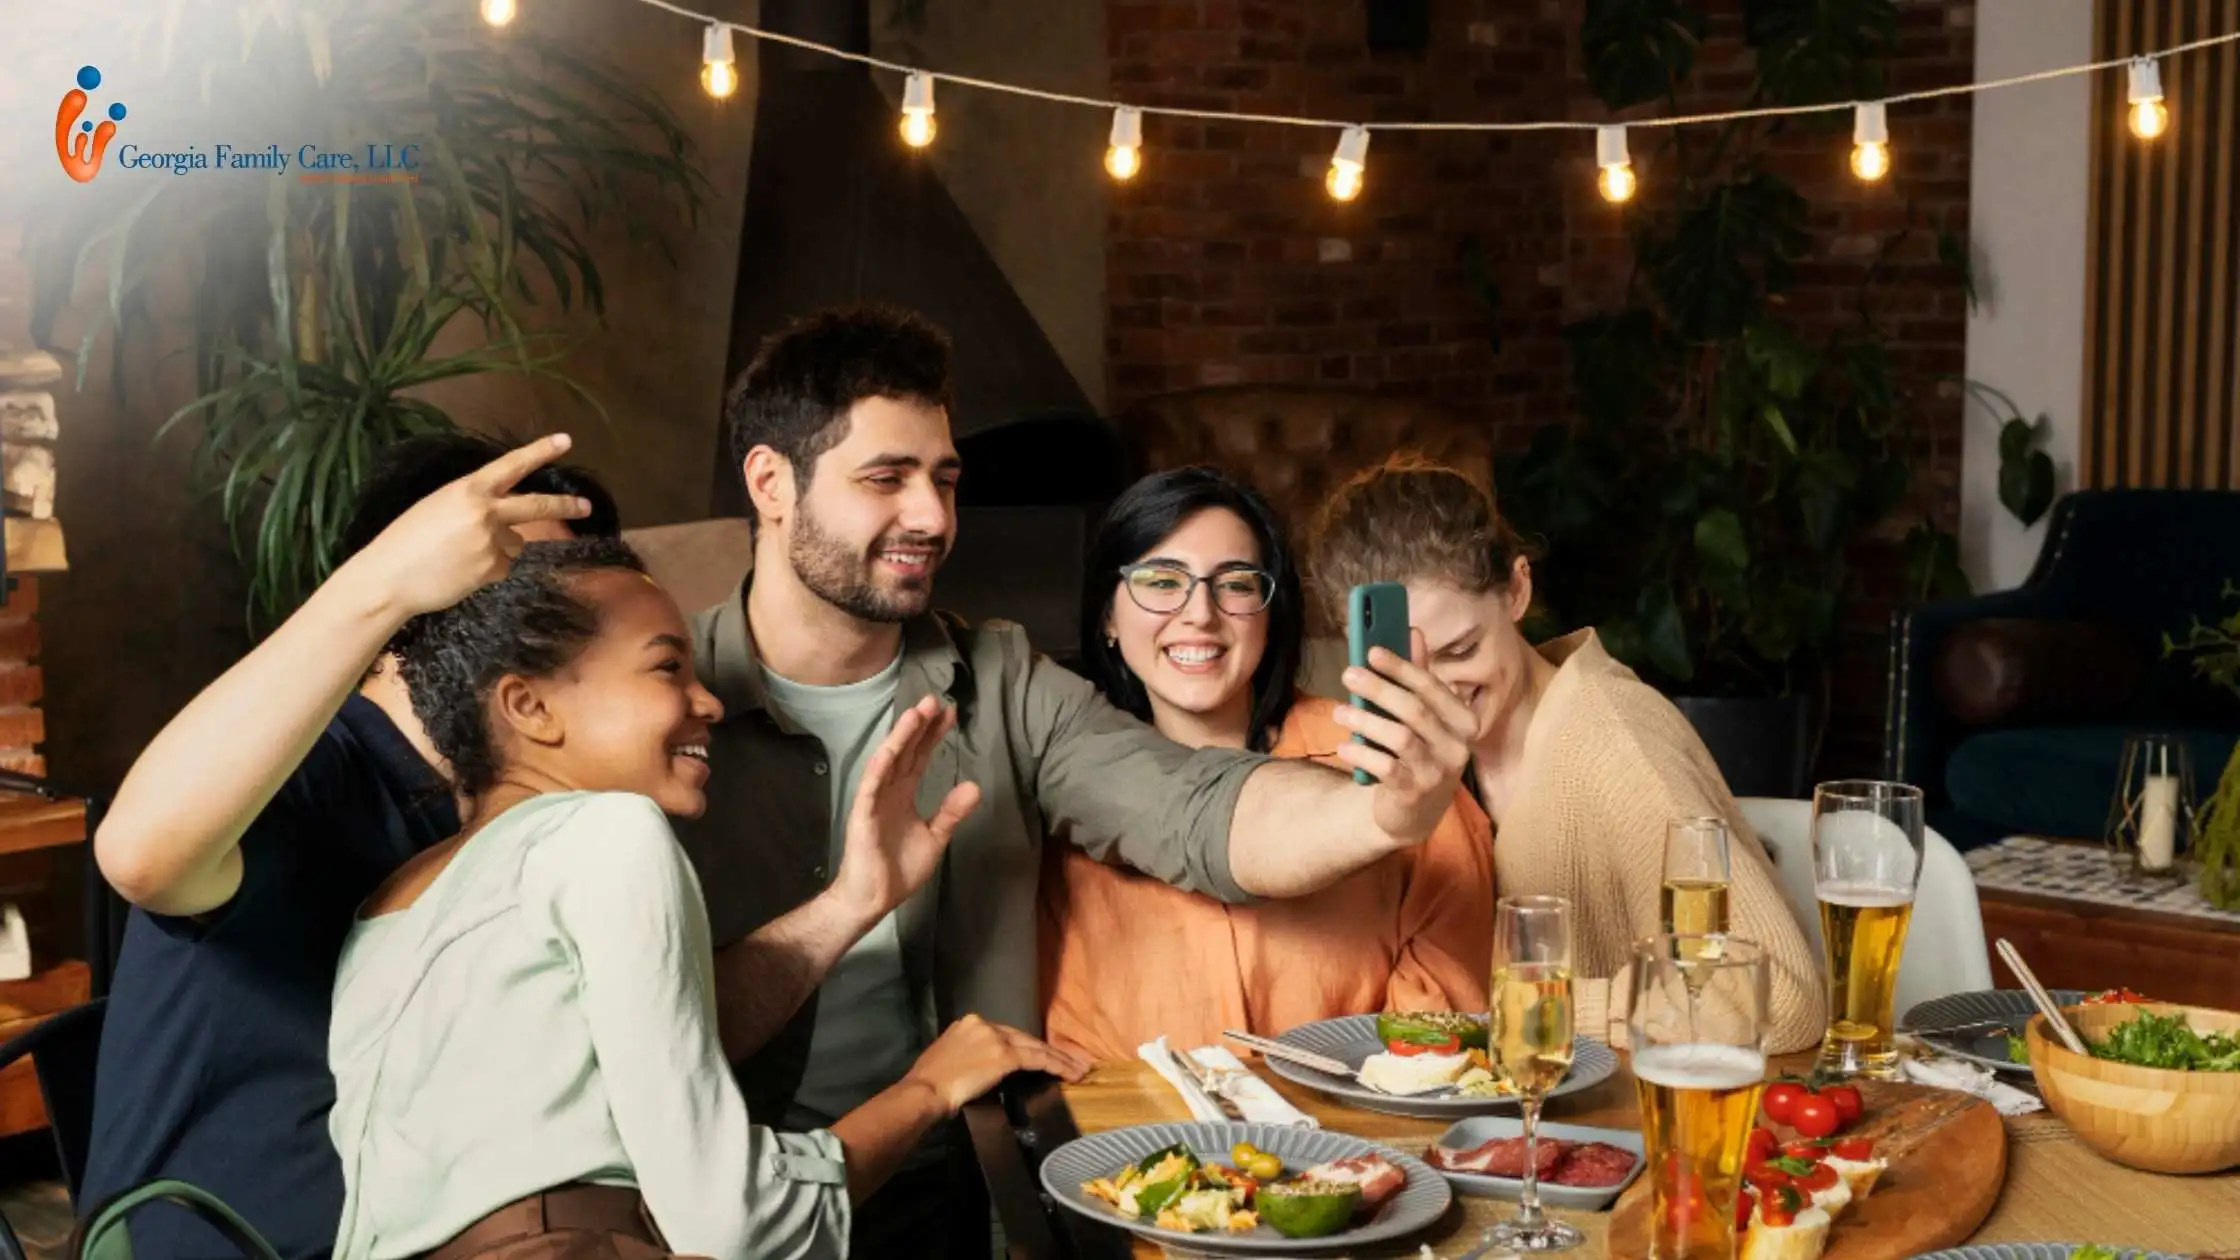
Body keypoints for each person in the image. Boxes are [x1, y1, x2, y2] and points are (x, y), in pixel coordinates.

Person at [674, 304, 1481, 1256]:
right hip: (730, 1204)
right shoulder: (668, 700)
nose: (933, 518)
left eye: (944, 478)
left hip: (975, 1203)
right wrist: (848, 908)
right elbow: (641, 1034)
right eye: (886, 478)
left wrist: (1383, 810)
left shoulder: (1005, 683)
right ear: (771, 483)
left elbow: (1200, 810)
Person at [330, 537, 1085, 1260]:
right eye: (667, 669)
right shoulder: (611, 833)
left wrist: (857, 898)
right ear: (529, 707)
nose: (710, 703)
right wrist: (928, 1086)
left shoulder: (393, 902)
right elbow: (736, 1223)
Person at [82, 433, 614, 1260]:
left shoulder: (516, 825)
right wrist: (381, 584)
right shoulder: (303, 769)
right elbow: (139, 855)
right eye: (510, 582)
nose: (555, 631)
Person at [1304, 454, 1827, 1052]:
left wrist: (1533, 1005)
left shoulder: (1616, 741)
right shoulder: (1424, 761)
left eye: (1462, 649)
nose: (1438, 694)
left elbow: (1785, 1000)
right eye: (1408, 673)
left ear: (1518, 589)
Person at [1038, 467, 1497, 1063]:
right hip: (1146, 1146)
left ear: (1270, 611)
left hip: (1356, 1143)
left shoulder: (1389, 754)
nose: (1199, 614)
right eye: (1160, 580)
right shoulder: (1071, 796)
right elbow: (1074, 1049)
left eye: (1235, 584)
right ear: (1107, 616)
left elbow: (1443, 1023)